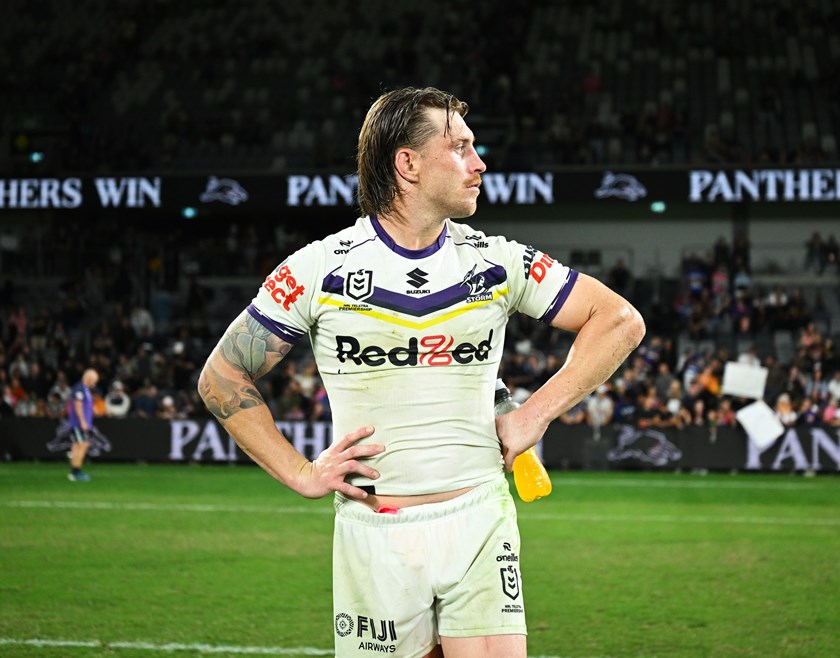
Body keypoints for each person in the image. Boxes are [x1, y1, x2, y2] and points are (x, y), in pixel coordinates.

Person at [198, 86, 645, 658]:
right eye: (459, 147)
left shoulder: (497, 261)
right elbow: (222, 377)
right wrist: (301, 473)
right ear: (407, 164)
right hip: (375, 534)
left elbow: (619, 320)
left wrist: (535, 414)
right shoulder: (319, 270)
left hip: (480, 520)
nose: (479, 163)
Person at [67, 368, 99, 482]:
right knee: (81, 445)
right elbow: (78, 405)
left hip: (81, 423)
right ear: (88, 378)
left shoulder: (85, 389)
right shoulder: (79, 388)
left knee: (79, 445)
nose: (95, 383)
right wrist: (82, 421)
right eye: (94, 380)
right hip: (78, 424)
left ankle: (75, 471)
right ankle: (76, 472)